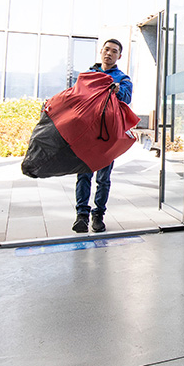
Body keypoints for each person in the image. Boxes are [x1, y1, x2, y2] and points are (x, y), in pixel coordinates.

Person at [73, 39, 132, 233]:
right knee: (84, 174)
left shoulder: (122, 79)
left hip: (108, 135)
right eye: (107, 49)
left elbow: (127, 98)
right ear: (101, 51)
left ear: (119, 56)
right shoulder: (88, 75)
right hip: (87, 133)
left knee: (103, 178)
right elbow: (75, 96)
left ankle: (98, 215)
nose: (109, 53)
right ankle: (81, 215)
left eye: (114, 51)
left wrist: (117, 91)